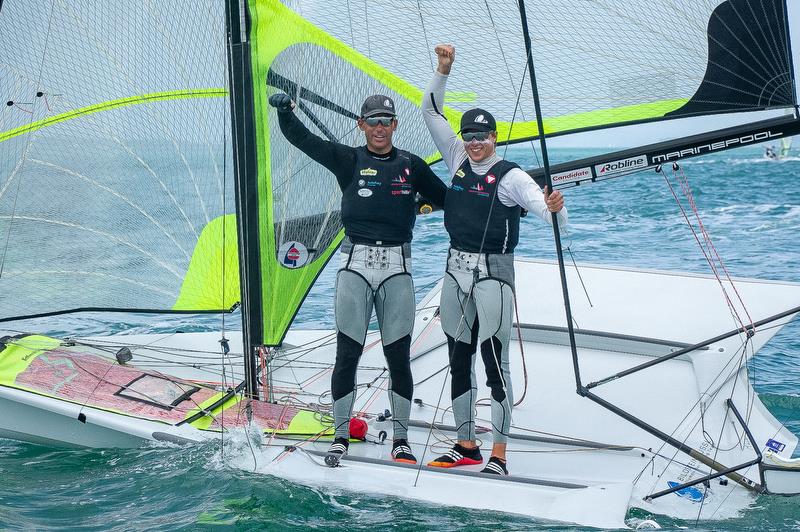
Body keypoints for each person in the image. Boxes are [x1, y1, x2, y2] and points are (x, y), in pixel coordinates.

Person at [268, 92, 447, 464]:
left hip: (398, 267)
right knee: (346, 354)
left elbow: (448, 198)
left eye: (386, 121)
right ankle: (339, 436)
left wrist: (428, 204)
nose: (380, 128)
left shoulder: (411, 166)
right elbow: (304, 140)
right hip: (356, 266)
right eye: (373, 121)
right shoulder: (348, 159)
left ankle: (401, 440)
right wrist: (286, 112)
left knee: (398, 356)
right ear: (361, 125)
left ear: (395, 126)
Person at [421, 44, 567, 475]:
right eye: (469, 136)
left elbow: (548, 214)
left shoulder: (513, 177)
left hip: (493, 276)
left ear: (494, 138)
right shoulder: (457, 159)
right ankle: (465, 445)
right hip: (455, 271)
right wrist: (443, 71)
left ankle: (499, 456)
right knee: (458, 356)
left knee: (494, 361)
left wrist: (555, 207)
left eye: (482, 137)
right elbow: (430, 113)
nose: (475, 143)